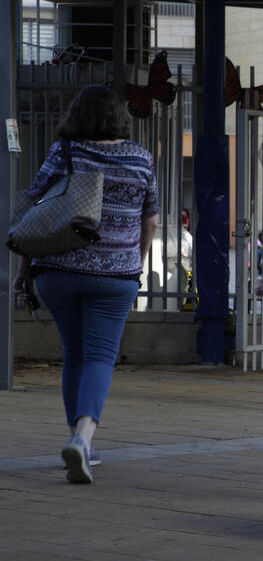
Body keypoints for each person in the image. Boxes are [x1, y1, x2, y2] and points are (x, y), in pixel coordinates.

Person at [12, 84, 159, 484]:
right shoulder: (141, 159)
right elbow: (150, 220)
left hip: (58, 271)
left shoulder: (66, 152)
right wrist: (136, 262)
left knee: (74, 355)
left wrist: (25, 269)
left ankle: (78, 442)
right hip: (115, 276)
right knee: (100, 356)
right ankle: (83, 439)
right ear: (120, 117)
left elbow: (36, 208)